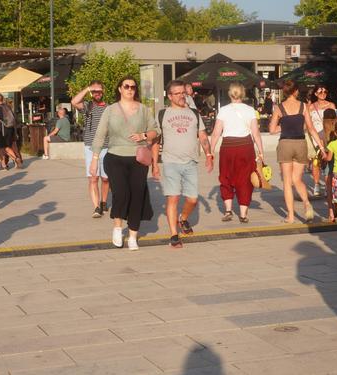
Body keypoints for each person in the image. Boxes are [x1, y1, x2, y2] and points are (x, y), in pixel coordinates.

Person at [90, 76, 159, 251]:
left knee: (137, 195)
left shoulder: (143, 110)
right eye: (126, 86)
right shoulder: (110, 110)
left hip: (138, 158)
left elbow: (155, 130)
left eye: (133, 87)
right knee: (121, 193)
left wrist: (144, 136)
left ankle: (133, 236)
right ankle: (118, 227)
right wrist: (94, 160)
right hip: (115, 157)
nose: (130, 89)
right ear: (120, 89)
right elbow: (100, 134)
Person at [151, 80, 213, 248]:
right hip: (170, 162)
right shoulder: (162, 114)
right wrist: (155, 164)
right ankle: (174, 235)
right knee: (173, 198)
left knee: (192, 199)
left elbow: (202, 136)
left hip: (191, 162)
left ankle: (183, 218)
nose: (181, 96)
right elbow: (155, 141)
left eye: (183, 92)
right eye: (177, 93)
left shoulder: (194, 113)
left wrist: (208, 154)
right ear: (170, 96)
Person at [269, 79, 324, 223]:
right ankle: (306, 203)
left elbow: (272, 130)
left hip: (285, 144)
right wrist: (321, 147)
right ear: (295, 91)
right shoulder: (304, 106)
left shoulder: (279, 108)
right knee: (297, 179)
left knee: (287, 182)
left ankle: (291, 216)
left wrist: (284, 126)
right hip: (300, 143)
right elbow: (311, 129)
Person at [210, 82, 265, 223]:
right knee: (245, 179)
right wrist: (261, 151)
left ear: (230, 94)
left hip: (228, 147)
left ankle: (228, 211)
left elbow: (216, 133)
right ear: (243, 94)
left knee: (226, 176)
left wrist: (211, 151)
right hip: (245, 147)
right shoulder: (250, 110)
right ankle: (243, 213)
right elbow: (256, 133)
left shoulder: (223, 110)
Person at [71, 80, 110, 218]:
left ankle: (104, 202)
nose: (97, 93)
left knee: (106, 179)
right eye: (95, 91)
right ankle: (97, 207)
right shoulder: (87, 106)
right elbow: (74, 101)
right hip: (90, 146)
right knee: (93, 178)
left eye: (99, 90)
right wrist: (88, 88)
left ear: (103, 91)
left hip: (106, 146)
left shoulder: (109, 108)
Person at [308, 84, 337, 196]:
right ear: (315, 94)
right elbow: (309, 124)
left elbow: (335, 122)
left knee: (330, 162)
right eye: (320, 92)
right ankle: (316, 184)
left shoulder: (331, 105)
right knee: (317, 162)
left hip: (330, 136)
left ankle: (328, 185)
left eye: (325, 92)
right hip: (316, 137)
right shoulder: (310, 107)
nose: (323, 94)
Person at [0, 93, 22, 170]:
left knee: (4, 147)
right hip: (10, 129)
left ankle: (16, 159)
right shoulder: (7, 107)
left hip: (1, 131)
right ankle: (3, 164)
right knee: (1, 148)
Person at [321, 109, 337, 221]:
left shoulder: (322, 133)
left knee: (329, 188)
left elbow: (321, 150)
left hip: (327, 162)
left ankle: (331, 212)